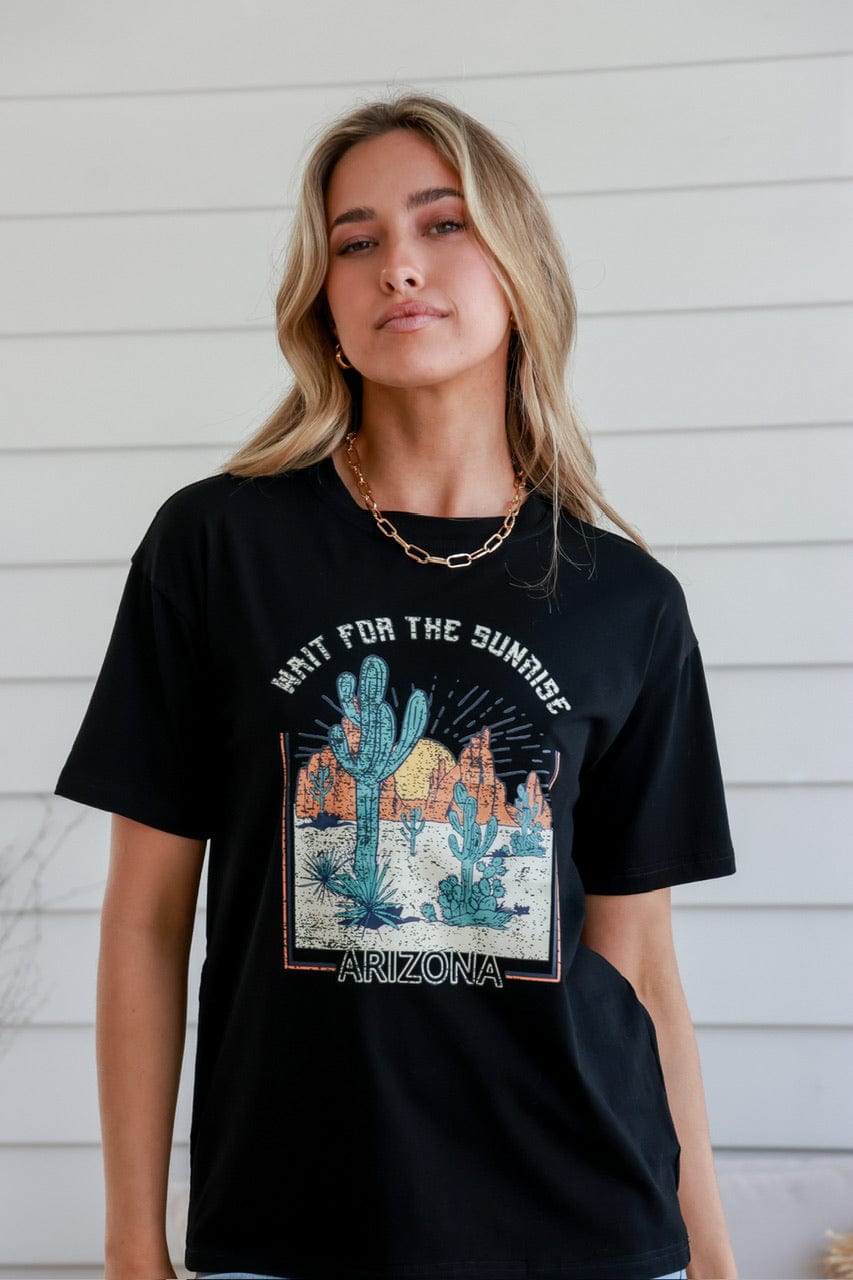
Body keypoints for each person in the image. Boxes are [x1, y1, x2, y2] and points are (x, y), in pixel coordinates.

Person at [54, 93, 739, 1280]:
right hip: (289, 1227)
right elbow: (145, 917)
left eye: (441, 224)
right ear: (322, 299)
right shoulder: (216, 547)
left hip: (592, 1228)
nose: (398, 268)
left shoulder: (626, 598)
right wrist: (131, 1244)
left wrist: (713, 1253)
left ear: (516, 267)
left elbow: (637, 962)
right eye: (356, 241)